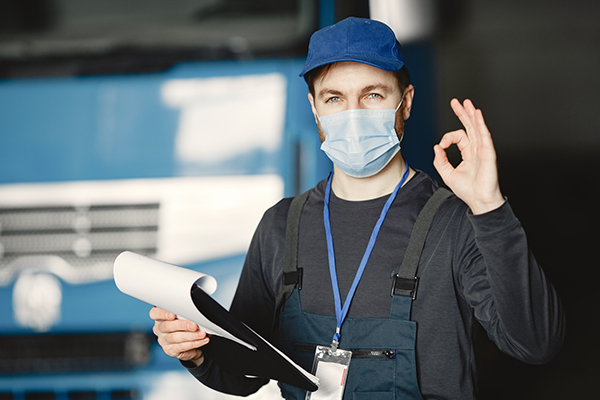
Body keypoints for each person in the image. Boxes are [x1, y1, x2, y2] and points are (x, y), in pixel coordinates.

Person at [149, 17, 565, 399]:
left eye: (373, 95)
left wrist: (489, 207)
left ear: (405, 102)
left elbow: (535, 342)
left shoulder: (455, 222)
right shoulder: (281, 226)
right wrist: (196, 352)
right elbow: (245, 372)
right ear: (314, 108)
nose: (353, 115)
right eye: (334, 98)